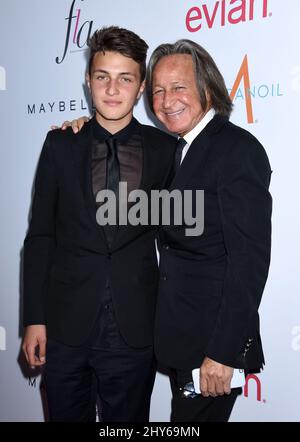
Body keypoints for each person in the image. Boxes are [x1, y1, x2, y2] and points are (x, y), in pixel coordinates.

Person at [67, 38, 272, 422]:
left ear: (207, 88)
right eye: (158, 90)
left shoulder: (236, 149)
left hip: (213, 349)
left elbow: (249, 263)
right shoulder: (175, 149)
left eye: (179, 87)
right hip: (180, 338)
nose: (166, 100)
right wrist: (83, 128)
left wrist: (223, 353)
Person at [22, 26, 176, 422]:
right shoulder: (60, 144)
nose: (112, 89)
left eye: (125, 78)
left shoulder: (166, 151)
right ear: (89, 81)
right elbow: (40, 237)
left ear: (141, 86)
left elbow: (180, 238)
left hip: (134, 327)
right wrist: (34, 318)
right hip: (64, 327)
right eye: (102, 77)